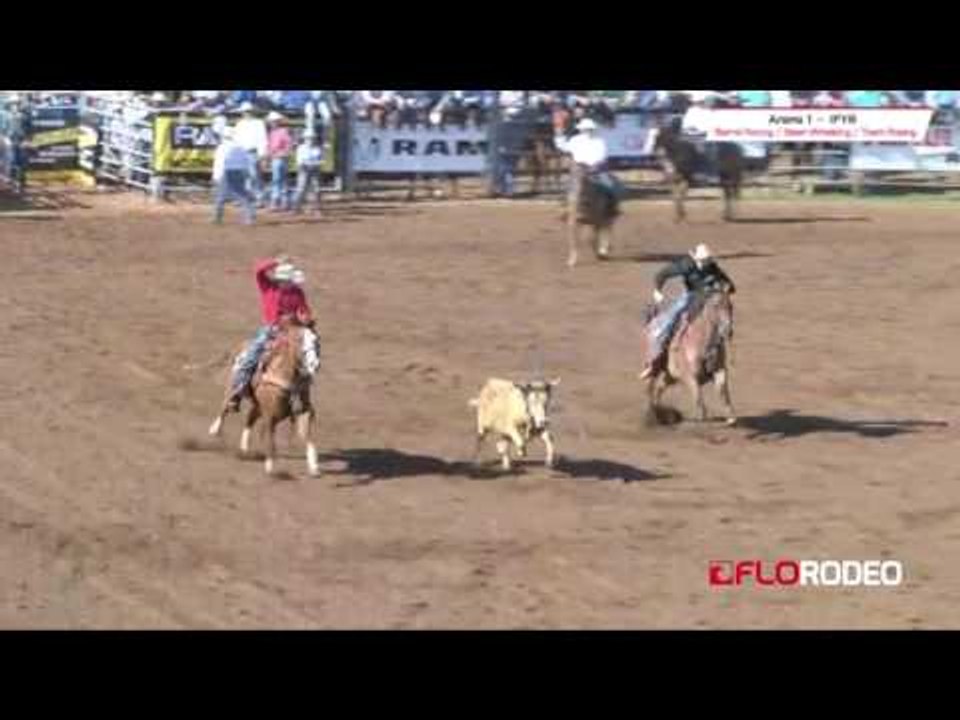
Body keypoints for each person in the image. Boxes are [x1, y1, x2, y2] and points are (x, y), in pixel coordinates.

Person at [225, 257, 315, 411]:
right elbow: (259, 270)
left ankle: (302, 400)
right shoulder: (268, 287)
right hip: (271, 330)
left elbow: (304, 310)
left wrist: (306, 319)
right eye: (283, 279)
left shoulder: (297, 292)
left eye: (288, 280)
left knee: (307, 357)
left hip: (292, 331)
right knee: (250, 356)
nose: (285, 283)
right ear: (278, 278)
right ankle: (237, 392)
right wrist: (275, 261)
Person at [639, 244, 737, 379]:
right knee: (666, 322)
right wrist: (658, 291)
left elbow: (729, 284)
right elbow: (662, 274)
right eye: (704, 260)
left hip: (709, 298)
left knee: (724, 320)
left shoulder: (711, 266)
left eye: (707, 260)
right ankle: (654, 361)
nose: (706, 263)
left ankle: (721, 358)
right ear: (696, 259)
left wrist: (724, 287)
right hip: (690, 297)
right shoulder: (685, 265)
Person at [555, 117, 624, 216]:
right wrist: (559, 135)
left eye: (588, 129)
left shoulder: (591, 140)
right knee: (612, 187)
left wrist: (559, 135)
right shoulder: (592, 140)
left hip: (591, 168)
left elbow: (563, 147)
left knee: (611, 186)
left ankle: (566, 205)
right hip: (586, 168)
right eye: (586, 129)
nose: (587, 131)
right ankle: (612, 207)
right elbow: (602, 155)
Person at [212, 127, 256, 225]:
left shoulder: (222, 147)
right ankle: (250, 217)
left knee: (220, 196)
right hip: (240, 172)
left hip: (227, 172)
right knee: (242, 195)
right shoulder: (240, 146)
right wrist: (248, 173)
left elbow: (219, 162)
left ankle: (217, 218)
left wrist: (216, 177)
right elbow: (246, 161)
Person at [233, 101, 268, 205]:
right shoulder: (239, 124)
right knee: (243, 176)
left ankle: (259, 198)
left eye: (248, 111)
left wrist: (262, 154)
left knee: (254, 175)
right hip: (241, 152)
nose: (246, 113)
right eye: (245, 111)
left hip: (253, 152)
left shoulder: (258, 123)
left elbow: (262, 139)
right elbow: (236, 140)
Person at [266, 111, 293, 211]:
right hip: (276, 158)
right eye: (271, 122)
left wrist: (284, 153)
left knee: (278, 180)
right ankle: (281, 201)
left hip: (280, 158)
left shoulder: (282, 131)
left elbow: (289, 145)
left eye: (273, 122)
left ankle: (279, 202)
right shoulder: (274, 132)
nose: (272, 123)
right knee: (279, 180)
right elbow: (270, 147)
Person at [292, 132, 324, 214]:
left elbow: (321, 160)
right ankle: (296, 207)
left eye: (312, 138)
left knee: (317, 189)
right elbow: (299, 162)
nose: (310, 140)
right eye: (308, 138)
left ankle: (317, 208)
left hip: (314, 170)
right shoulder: (301, 148)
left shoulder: (317, 148)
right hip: (304, 170)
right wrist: (310, 163)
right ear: (305, 139)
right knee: (301, 189)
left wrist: (316, 163)